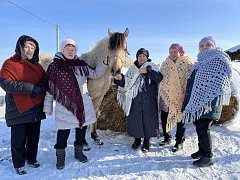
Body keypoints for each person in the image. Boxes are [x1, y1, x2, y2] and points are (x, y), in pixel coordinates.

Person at [43, 39, 109, 170]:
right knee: (62, 134)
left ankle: (79, 153)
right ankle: (60, 158)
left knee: (81, 131)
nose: (70, 51)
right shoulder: (55, 67)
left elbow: (95, 73)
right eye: (68, 48)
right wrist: (48, 106)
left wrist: (104, 63)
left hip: (82, 104)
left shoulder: (81, 65)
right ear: (62, 50)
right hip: (65, 105)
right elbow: (50, 89)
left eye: (73, 49)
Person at [182, 36, 232, 167]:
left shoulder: (218, 60)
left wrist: (206, 99)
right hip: (199, 103)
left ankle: (207, 156)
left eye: (207, 45)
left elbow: (220, 84)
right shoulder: (200, 62)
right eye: (201, 45)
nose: (204, 47)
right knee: (199, 128)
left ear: (213, 45)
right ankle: (201, 150)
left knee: (204, 130)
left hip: (208, 104)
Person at [0, 35, 46, 175]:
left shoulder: (37, 67)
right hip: (18, 108)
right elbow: (5, 83)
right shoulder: (10, 63)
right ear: (20, 47)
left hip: (35, 107)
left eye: (33, 47)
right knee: (18, 138)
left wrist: (41, 87)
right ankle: (19, 163)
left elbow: (45, 80)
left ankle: (31, 158)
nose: (29, 49)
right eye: (27, 46)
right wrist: (31, 88)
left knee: (34, 137)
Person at [114, 48, 163, 153]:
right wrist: (120, 79)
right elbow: (126, 83)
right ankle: (137, 139)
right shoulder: (132, 69)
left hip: (149, 100)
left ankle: (146, 141)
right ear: (137, 58)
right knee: (135, 120)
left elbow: (159, 78)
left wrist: (148, 72)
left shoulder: (152, 67)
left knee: (148, 120)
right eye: (139, 56)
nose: (142, 58)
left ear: (147, 57)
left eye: (144, 56)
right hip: (134, 99)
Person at [158, 44, 193, 152]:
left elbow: (190, 80)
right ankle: (167, 137)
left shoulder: (187, 63)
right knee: (164, 117)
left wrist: (185, 93)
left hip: (181, 96)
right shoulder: (164, 64)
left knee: (180, 118)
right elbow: (162, 79)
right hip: (166, 95)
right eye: (171, 51)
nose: (173, 53)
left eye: (175, 51)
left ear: (180, 52)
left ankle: (179, 141)